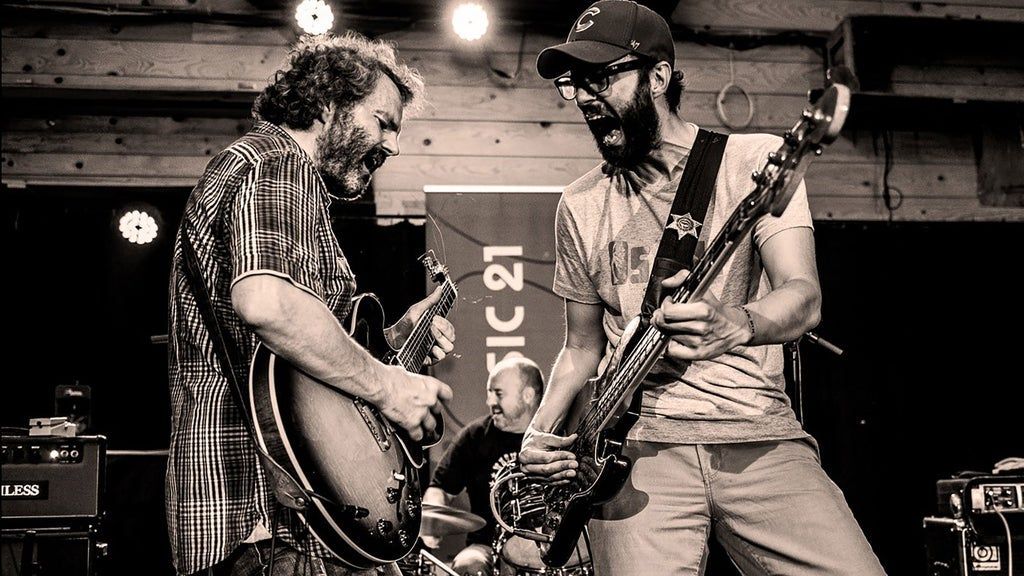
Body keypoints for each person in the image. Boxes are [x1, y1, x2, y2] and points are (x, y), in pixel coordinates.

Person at [518, 2, 887, 575]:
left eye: (601, 78)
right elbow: (581, 346)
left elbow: (803, 296)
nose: (585, 97)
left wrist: (737, 323)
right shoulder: (579, 202)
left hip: (756, 431)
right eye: (574, 84)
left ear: (658, 76)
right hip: (634, 447)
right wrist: (538, 433)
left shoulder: (753, 162)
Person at [166, 33, 455, 576]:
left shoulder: (266, 171)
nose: (393, 146)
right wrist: (388, 386)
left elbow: (298, 362)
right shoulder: (280, 163)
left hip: (266, 515)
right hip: (265, 514)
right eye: (383, 122)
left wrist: (396, 340)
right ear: (327, 104)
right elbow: (268, 304)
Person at [423, 357, 545, 576]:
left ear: (527, 395)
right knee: (468, 566)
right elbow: (440, 488)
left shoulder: (555, 434)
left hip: (544, 545)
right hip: (485, 546)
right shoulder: (475, 436)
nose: (489, 401)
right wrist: (432, 521)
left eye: (498, 393)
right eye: (489, 393)